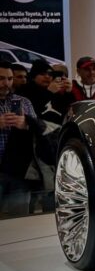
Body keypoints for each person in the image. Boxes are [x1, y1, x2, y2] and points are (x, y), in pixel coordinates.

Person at [0, 63, 41, 216]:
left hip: (19, 170)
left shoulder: (23, 102)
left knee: (19, 220)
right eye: (1, 78)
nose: (6, 83)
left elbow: (39, 132)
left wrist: (26, 125)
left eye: (9, 79)